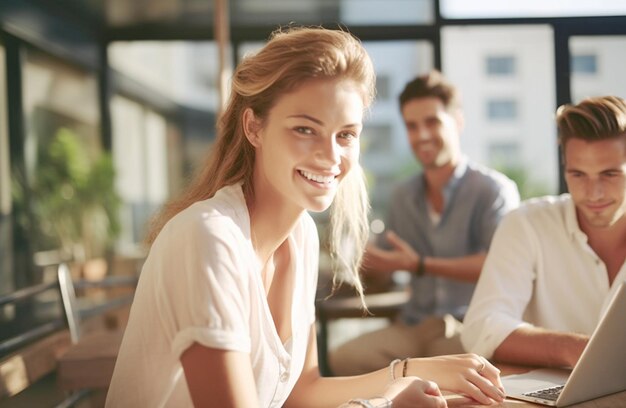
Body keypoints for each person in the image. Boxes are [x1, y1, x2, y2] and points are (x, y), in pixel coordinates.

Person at [105, 27, 505, 407]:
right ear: (254, 128)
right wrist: (382, 401)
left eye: (346, 134)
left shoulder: (301, 237)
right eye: (305, 129)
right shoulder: (208, 237)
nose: (331, 156)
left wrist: (411, 371)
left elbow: (302, 392)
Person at [329, 70, 520, 376]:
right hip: (413, 326)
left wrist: (420, 265)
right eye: (412, 126)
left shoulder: (494, 190)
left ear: (457, 121)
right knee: (345, 357)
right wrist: (371, 266)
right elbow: (390, 271)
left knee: (455, 361)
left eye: (432, 122)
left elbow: (499, 266)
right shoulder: (404, 196)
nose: (421, 135)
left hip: (469, 326)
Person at [461, 95, 626, 368]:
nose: (593, 193)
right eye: (578, 175)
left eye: (610, 175)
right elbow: (481, 327)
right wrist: (576, 349)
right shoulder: (526, 224)